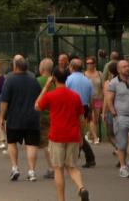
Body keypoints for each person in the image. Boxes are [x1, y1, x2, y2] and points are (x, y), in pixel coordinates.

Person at [37, 67, 90, 201]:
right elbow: (81, 119)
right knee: (72, 167)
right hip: (72, 136)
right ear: (67, 78)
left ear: (54, 78)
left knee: (58, 169)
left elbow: (37, 106)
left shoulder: (50, 95)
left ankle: (61, 199)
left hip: (56, 136)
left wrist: (45, 87)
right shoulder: (75, 96)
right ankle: (81, 188)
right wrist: (80, 135)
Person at [1, 55, 43, 182]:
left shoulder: (10, 80)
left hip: (14, 118)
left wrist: (2, 117)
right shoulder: (34, 80)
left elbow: (4, 101)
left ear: (15, 66)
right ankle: (31, 171)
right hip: (32, 118)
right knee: (31, 145)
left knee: (12, 143)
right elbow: (39, 99)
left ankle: (15, 167)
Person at [64, 58, 96, 168]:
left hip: (72, 108)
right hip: (85, 107)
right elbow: (92, 98)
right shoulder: (87, 80)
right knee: (79, 132)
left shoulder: (68, 80)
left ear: (71, 67)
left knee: (77, 134)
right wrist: (90, 111)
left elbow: (65, 94)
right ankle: (83, 156)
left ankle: (86, 157)